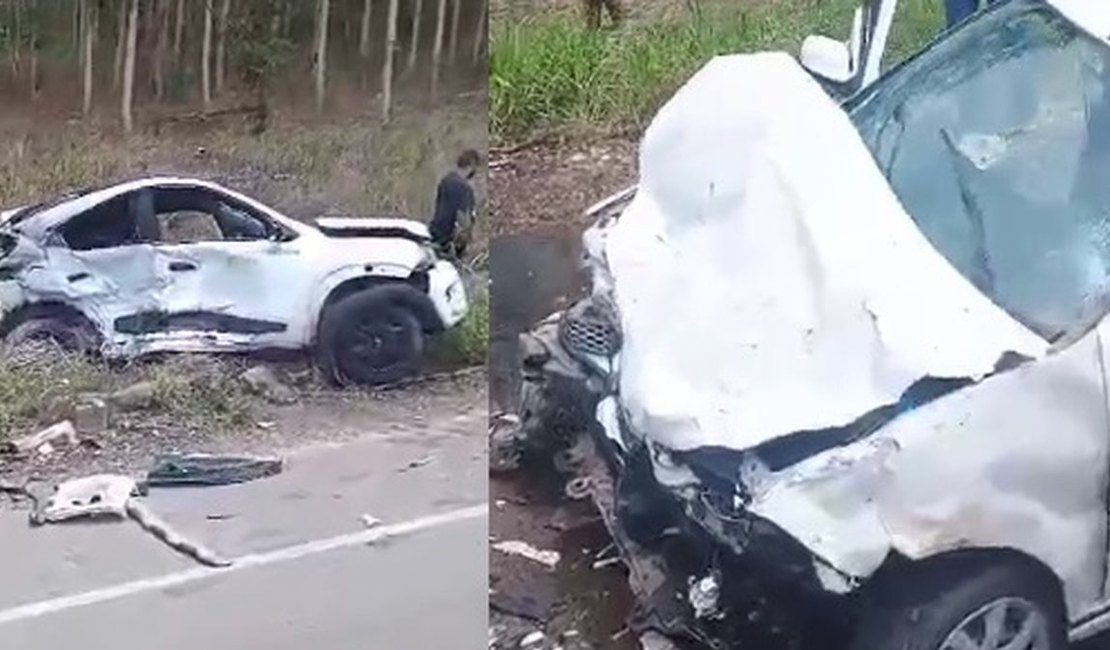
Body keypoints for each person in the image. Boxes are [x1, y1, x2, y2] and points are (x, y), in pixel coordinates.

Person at [430, 149, 480, 259]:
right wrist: (461, 248)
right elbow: (463, 220)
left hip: (436, 235)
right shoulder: (465, 188)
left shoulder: (445, 181)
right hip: (450, 242)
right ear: (471, 165)